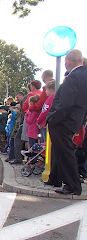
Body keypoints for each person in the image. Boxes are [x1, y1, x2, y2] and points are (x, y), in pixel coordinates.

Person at [46, 49, 87, 195]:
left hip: (63, 121)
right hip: (74, 120)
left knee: (65, 152)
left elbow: (65, 104)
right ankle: (56, 178)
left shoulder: (73, 76)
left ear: (67, 62)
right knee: (59, 151)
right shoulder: (84, 75)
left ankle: (73, 185)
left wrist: (53, 118)